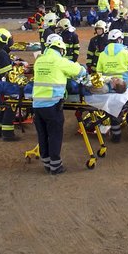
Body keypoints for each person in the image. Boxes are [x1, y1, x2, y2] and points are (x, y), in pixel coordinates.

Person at [31, 33, 87, 175]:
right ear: (61, 48)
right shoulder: (59, 61)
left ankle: (47, 164)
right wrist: (83, 70)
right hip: (52, 105)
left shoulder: (40, 60)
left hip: (37, 105)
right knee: (55, 135)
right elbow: (79, 71)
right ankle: (56, 167)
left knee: (42, 135)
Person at [95, 28, 128, 142]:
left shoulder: (102, 54)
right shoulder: (126, 53)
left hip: (109, 87)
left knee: (113, 111)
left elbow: (98, 73)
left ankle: (116, 137)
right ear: (119, 40)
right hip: (125, 87)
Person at [0, 28, 19, 141]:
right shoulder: (2, 54)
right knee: (9, 107)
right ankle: (8, 134)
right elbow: (7, 73)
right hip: (4, 85)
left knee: (1, 106)